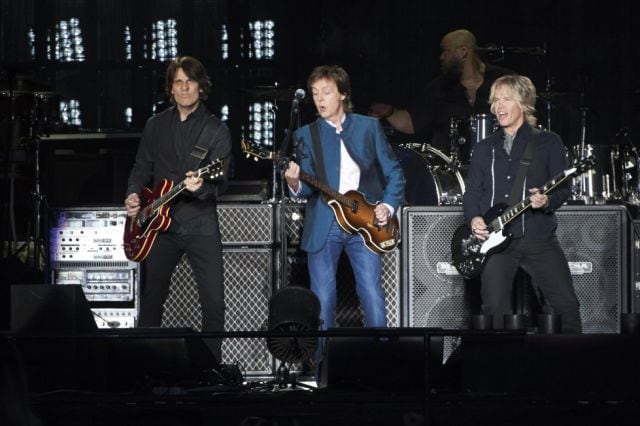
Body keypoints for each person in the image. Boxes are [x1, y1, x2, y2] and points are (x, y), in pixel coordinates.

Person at [284, 65, 405, 335]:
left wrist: (386, 205)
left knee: (371, 292)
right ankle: (323, 368)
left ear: (342, 94)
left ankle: (383, 360)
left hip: (366, 221)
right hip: (325, 224)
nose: (320, 99)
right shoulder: (306, 134)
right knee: (323, 299)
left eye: (326, 92)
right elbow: (306, 189)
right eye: (315, 93)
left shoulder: (369, 127)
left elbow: (395, 172)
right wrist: (294, 182)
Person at [124, 56, 232, 360]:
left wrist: (202, 188)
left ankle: (211, 369)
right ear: (170, 88)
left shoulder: (216, 131)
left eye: (190, 81)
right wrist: (133, 194)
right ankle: (143, 366)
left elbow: (222, 182)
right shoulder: (155, 125)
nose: (184, 88)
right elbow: (141, 167)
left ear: (201, 86)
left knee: (213, 304)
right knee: (153, 298)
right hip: (158, 225)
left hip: (200, 223)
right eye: (178, 82)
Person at [463, 74, 582, 333]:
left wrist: (546, 199)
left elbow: (563, 190)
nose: (498, 107)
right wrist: (474, 218)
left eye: (506, 99)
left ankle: (570, 367)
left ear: (523, 103)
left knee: (566, 308)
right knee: (494, 311)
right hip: (496, 244)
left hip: (539, 238)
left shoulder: (548, 141)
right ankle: (500, 369)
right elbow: (472, 193)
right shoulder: (484, 148)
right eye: (495, 101)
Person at [369, 29, 512, 155]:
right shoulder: (439, 87)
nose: (441, 57)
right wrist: (390, 112)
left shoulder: (504, 80)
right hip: (452, 174)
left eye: (445, 51)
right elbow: (412, 122)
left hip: (501, 166)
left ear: (463, 52)